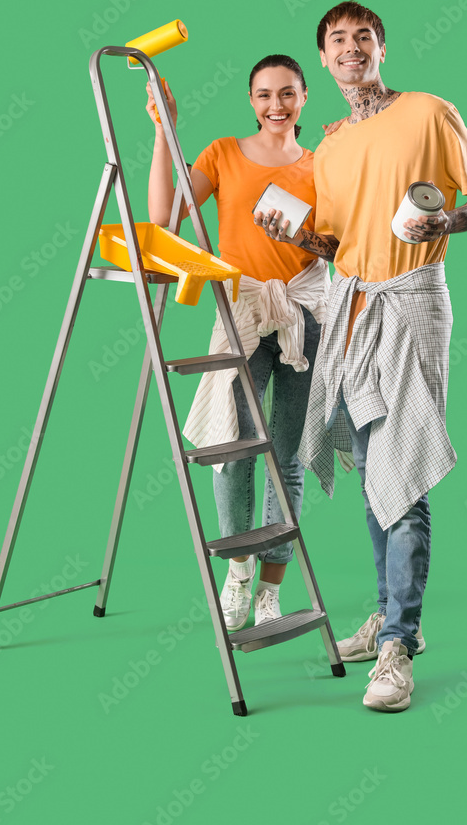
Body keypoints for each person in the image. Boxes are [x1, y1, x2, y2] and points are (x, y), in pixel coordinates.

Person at [256, 0, 467, 711]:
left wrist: (445, 220)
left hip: (413, 299)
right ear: (325, 63)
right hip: (353, 304)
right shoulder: (329, 148)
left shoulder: (427, 111)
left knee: (403, 465)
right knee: (370, 466)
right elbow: (338, 244)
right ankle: (393, 616)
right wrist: (298, 238)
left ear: (382, 48)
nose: (350, 49)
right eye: (336, 42)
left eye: (363, 37)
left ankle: (397, 643)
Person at [146, 55, 330, 631]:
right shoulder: (224, 153)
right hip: (243, 311)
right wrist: (162, 131)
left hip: (306, 311)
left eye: (287, 94)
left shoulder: (324, 165)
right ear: (251, 101)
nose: (275, 105)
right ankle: (238, 573)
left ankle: (272, 588)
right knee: (234, 448)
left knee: (288, 453)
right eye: (263, 95)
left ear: (304, 96)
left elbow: (340, 245)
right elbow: (164, 218)